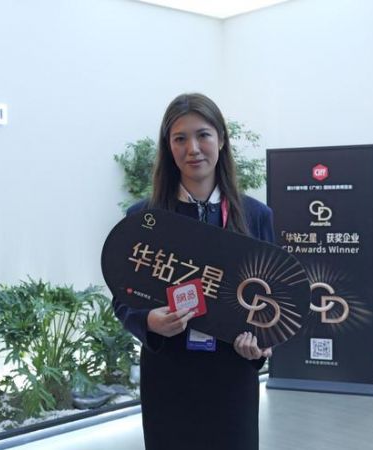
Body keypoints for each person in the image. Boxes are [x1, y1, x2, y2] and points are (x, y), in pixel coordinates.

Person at [112, 93, 275, 450]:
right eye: (180, 138)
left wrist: (261, 343)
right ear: (168, 146)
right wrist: (149, 321)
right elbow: (123, 300)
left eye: (203, 135)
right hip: (168, 374)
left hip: (231, 374)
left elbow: (272, 302)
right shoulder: (144, 219)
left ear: (221, 139)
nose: (193, 149)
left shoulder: (255, 216)